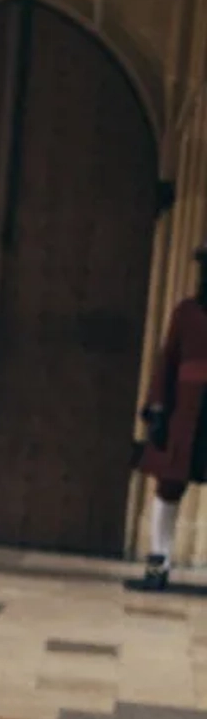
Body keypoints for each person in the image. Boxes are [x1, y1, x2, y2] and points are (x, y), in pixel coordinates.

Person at [132, 239, 207, 589]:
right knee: (168, 488)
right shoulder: (185, 313)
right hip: (186, 413)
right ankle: (159, 561)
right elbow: (168, 363)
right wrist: (158, 411)